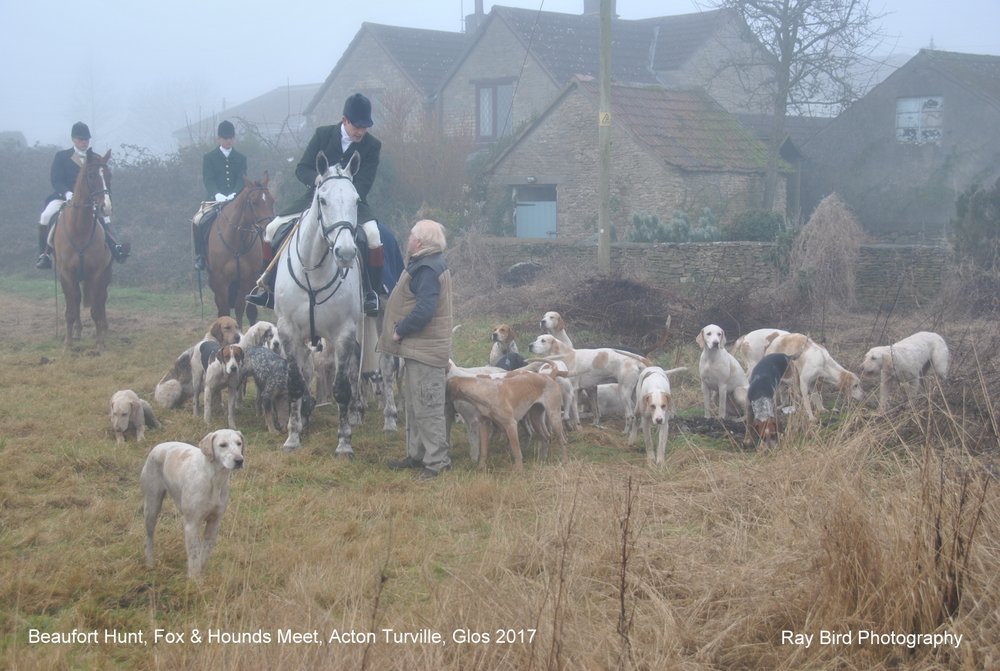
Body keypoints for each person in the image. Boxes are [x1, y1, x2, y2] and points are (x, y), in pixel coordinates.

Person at [247, 93, 385, 314]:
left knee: (373, 236)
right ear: (344, 120)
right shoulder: (323, 135)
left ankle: (372, 293)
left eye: (365, 127)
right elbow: (302, 168)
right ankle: (268, 287)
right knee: (272, 230)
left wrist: (341, 196)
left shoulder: (372, 146)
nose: (361, 131)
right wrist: (317, 179)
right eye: (357, 126)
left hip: (351, 203)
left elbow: (365, 182)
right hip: (314, 199)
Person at [380, 219, 453, 480]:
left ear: (420, 241)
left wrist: (400, 330)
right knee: (415, 405)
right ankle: (416, 455)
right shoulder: (425, 263)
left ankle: (436, 462)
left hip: (426, 351)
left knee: (429, 407)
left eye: (411, 234)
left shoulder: (428, 269)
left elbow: (425, 310)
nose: (407, 238)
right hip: (418, 350)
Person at [36, 122, 128, 269]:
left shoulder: (96, 158)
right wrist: (67, 193)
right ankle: (44, 255)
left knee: (105, 217)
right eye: (81, 139)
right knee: (45, 216)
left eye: (86, 139)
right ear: (73, 139)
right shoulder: (62, 157)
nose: (84, 142)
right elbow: (56, 180)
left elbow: (101, 180)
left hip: (89, 200)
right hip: (64, 197)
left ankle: (116, 247)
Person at [193, 120, 248, 270]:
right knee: (198, 221)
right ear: (219, 139)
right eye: (225, 138)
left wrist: (234, 194)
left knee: (254, 221)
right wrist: (216, 194)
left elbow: (241, 179)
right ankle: (201, 256)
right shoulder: (209, 157)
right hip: (214, 201)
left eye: (230, 138)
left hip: (236, 201)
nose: (228, 141)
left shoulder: (241, 158)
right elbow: (208, 179)